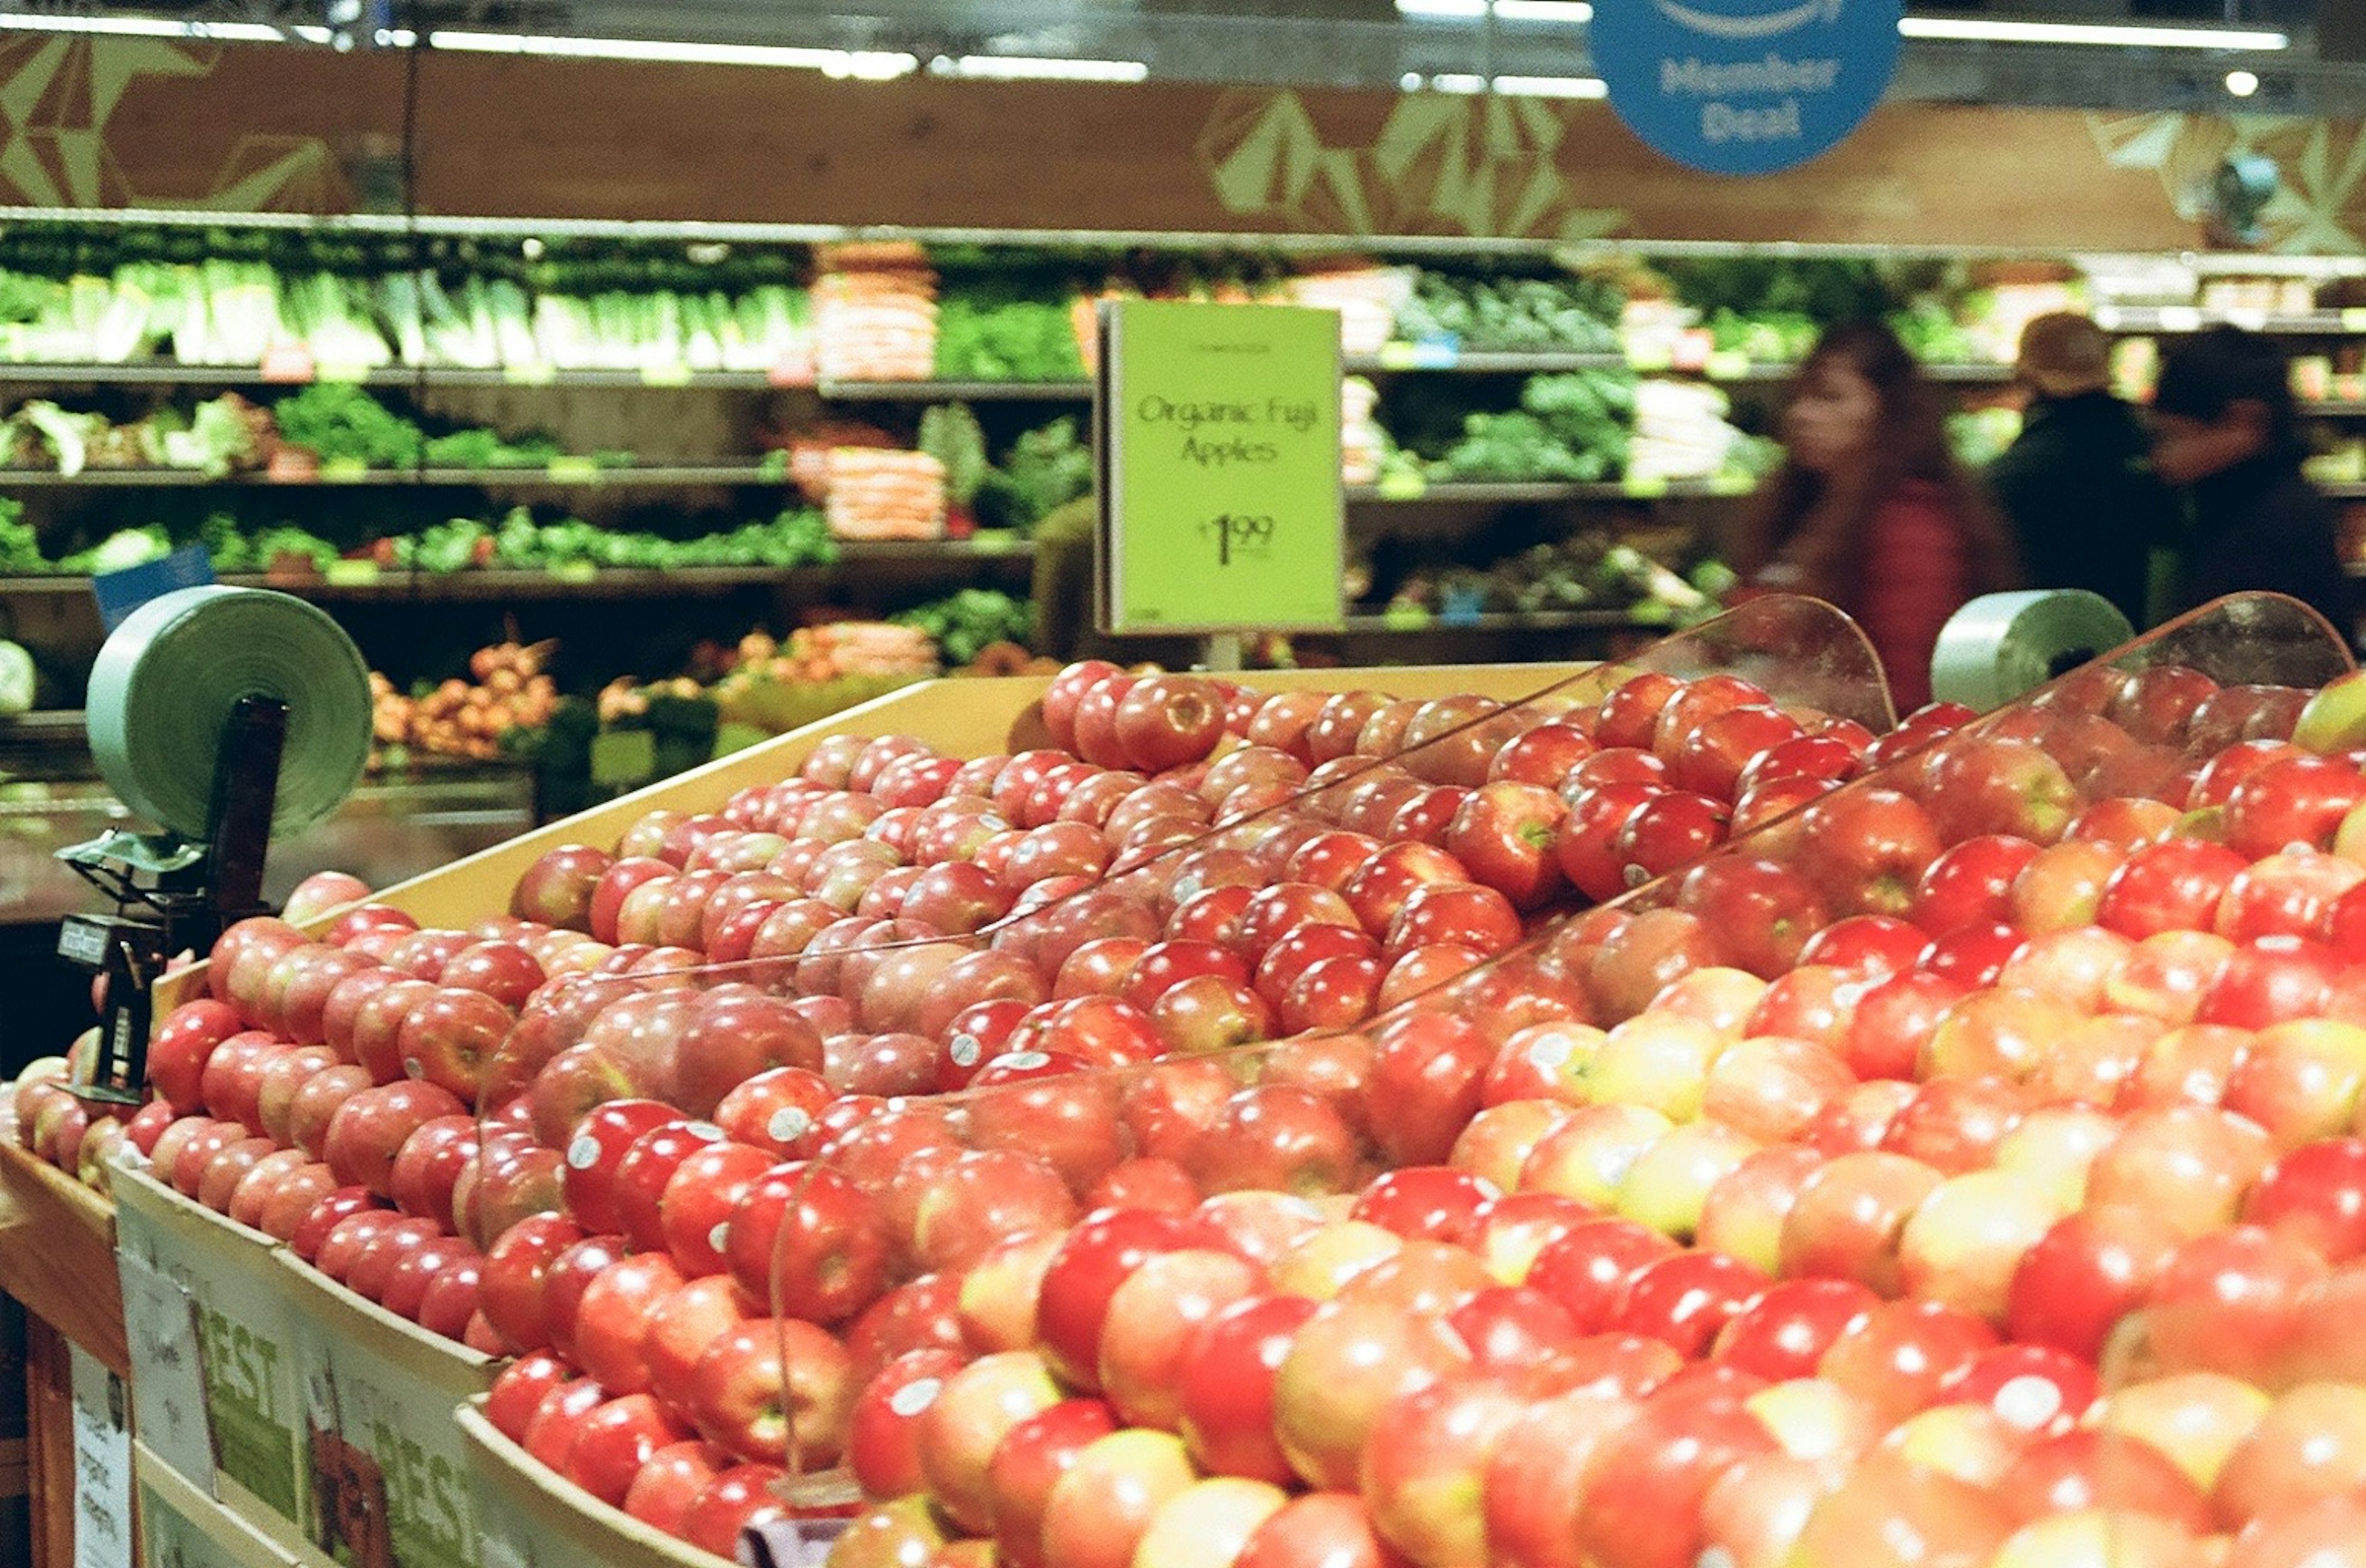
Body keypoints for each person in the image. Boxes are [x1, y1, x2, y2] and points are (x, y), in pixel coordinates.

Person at [1735, 320, 2022, 711]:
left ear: (1888, 413)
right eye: (1799, 398)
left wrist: (1772, 690)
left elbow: (1909, 689)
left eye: (1830, 398)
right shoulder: (1814, 502)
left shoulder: (1911, 522)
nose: (1802, 415)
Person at [2149, 323, 2356, 638]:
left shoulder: (2277, 524)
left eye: (2175, 436)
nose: (2160, 456)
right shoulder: (2239, 499)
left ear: (2246, 421)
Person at [1986, 312, 2176, 630]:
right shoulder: (2165, 459)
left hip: (2039, 655)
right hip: (2144, 657)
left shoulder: (2007, 478)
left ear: (2026, 376)